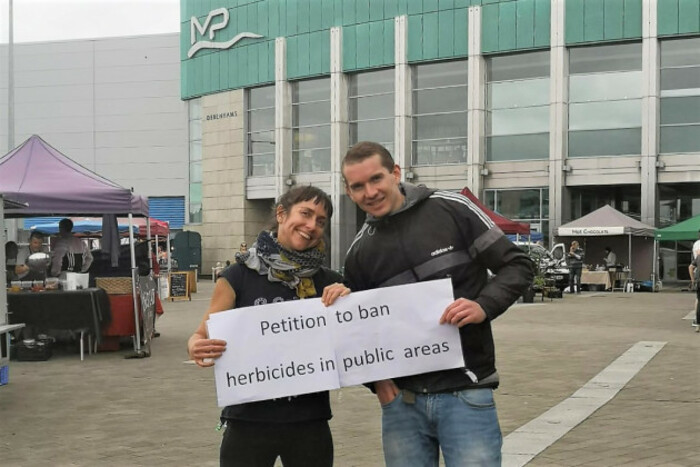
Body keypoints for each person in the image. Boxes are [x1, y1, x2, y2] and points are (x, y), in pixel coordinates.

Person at [336, 141, 533, 466]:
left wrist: (483, 305)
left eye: (376, 179)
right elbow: (359, 332)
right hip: (402, 404)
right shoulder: (359, 252)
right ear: (348, 191)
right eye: (358, 186)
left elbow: (518, 266)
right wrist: (378, 384)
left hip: (466, 391)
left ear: (396, 173)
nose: (369, 192)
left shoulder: (451, 208)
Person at [187, 186, 349, 467]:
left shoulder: (330, 283)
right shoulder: (237, 275)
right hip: (248, 419)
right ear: (281, 214)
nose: (311, 225)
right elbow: (202, 334)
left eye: (320, 221)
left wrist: (347, 305)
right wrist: (196, 346)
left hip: (309, 420)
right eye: (306, 214)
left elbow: (353, 343)